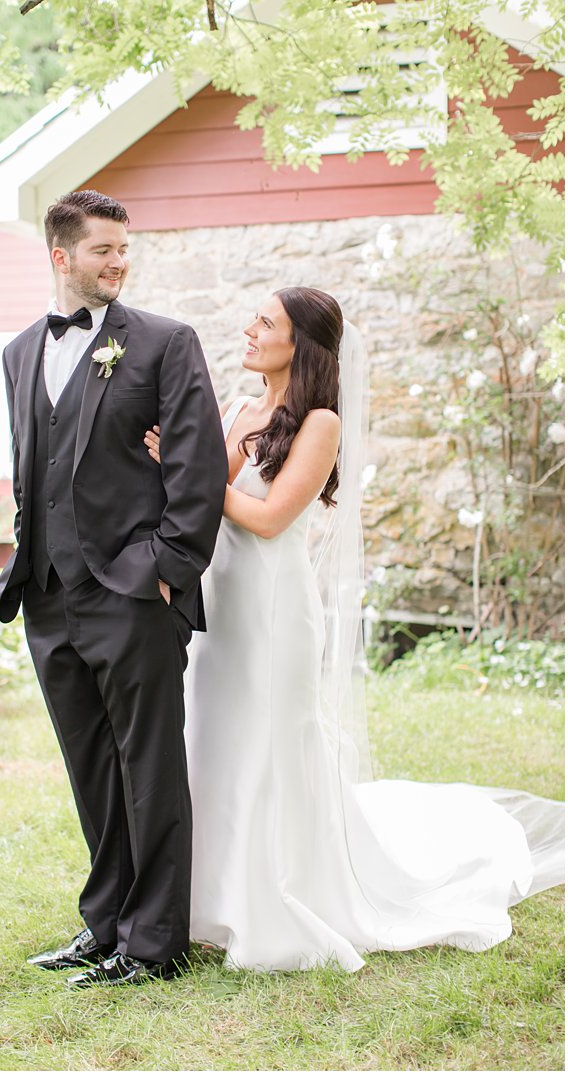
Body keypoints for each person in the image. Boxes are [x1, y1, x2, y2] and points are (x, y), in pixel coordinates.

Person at [144, 286, 565, 971]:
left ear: (300, 344)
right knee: (214, 736)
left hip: (273, 611)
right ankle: (205, 898)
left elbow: (271, 516)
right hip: (219, 605)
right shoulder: (240, 408)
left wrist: (184, 475)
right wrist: (171, 471)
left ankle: (275, 896)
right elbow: (199, 503)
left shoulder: (319, 424)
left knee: (267, 742)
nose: (248, 329)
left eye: (265, 322)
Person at [0, 189, 227, 988]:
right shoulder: (20, 352)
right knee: (90, 766)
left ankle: (156, 944)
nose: (118, 263)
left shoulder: (165, 343)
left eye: (124, 250)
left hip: (132, 592)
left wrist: (166, 570)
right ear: (62, 257)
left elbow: (200, 468)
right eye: (103, 251)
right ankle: (105, 926)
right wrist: (26, 566)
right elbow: (33, 469)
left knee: (149, 766)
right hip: (50, 597)